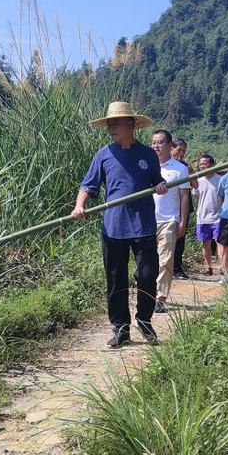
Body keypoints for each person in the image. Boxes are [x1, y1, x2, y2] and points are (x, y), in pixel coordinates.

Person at [73, 101, 168, 348]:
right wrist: (80, 205)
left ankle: (144, 321)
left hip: (144, 226)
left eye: (115, 123)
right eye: (108, 124)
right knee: (115, 279)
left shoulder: (148, 154)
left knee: (147, 275)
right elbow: (88, 185)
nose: (110, 128)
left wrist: (159, 187)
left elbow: (156, 183)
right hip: (113, 228)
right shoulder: (104, 154)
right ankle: (121, 328)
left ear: (131, 124)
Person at [150, 130, 190, 314]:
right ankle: (148, 292)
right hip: (147, 220)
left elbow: (184, 196)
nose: (156, 146)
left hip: (169, 220)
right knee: (149, 260)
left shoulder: (179, 169)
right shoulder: (147, 165)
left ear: (169, 145)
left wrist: (182, 221)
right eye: (154, 143)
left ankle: (160, 297)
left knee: (165, 259)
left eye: (160, 142)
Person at [171, 138, 196, 279]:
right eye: (178, 150)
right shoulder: (166, 165)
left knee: (180, 238)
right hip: (170, 207)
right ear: (171, 149)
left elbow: (195, 185)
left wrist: (191, 173)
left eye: (183, 151)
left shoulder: (185, 166)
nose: (181, 153)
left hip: (184, 207)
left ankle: (177, 268)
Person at [194, 155, 221, 275]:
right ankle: (208, 266)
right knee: (205, 242)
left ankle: (222, 267)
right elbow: (196, 196)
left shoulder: (220, 180)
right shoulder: (198, 181)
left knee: (219, 241)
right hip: (203, 216)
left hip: (218, 216)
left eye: (205, 163)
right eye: (201, 164)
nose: (203, 166)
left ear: (212, 165)